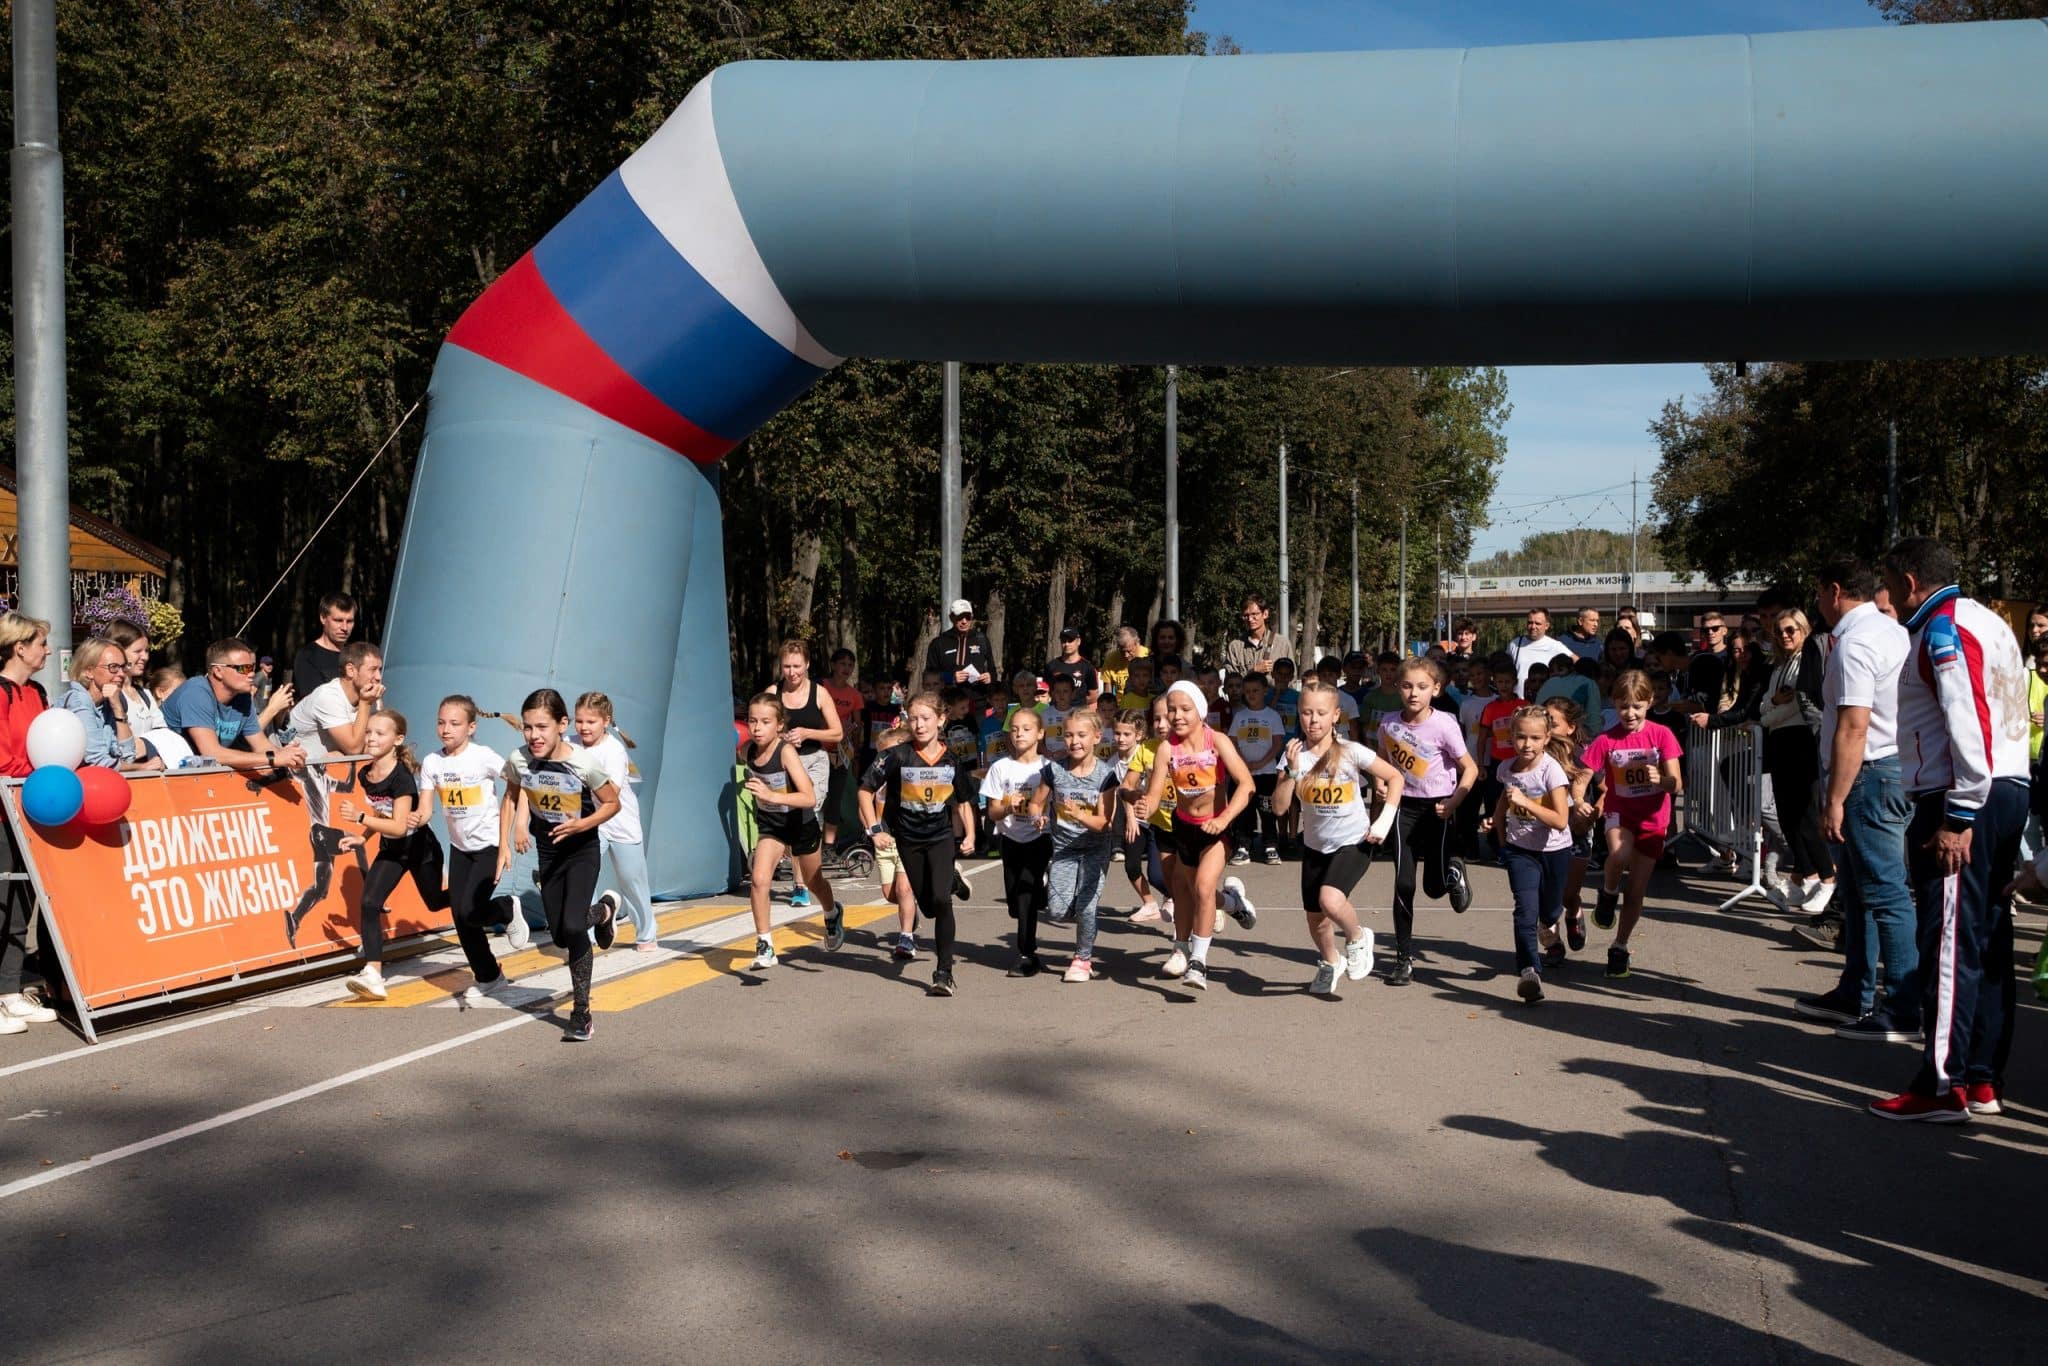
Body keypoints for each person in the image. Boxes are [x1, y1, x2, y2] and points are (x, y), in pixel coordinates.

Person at [1867, 538, 2028, 1123]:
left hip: (1964, 795)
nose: (1885, 596)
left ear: (1910, 580)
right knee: (1985, 939)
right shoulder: (1985, 620)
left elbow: (1969, 718)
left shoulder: (1943, 627)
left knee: (1951, 941)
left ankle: (1944, 1084)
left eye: (1887, 582)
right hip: (2002, 789)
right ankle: (1980, 1078)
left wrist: (1959, 814)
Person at [1792, 560, 1915, 1036]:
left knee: (1884, 892)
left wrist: (1835, 798)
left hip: (1869, 774)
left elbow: (1853, 724)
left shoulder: (1857, 642)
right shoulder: (1891, 633)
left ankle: (1903, 1006)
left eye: (1820, 594)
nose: (1818, 604)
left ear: (1836, 591)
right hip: (1884, 769)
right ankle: (1854, 991)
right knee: (1861, 891)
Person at [497, 688, 621, 1042]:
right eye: (527, 728)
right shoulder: (519, 759)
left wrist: (583, 824)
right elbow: (511, 794)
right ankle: (605, 911)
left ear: (561, 725)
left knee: (572, 926)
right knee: (559, 933)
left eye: (542, 727)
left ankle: (581, 1013)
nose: (534, 736)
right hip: (548, 852)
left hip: (582, 849)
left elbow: (612, 803)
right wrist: (507, 841)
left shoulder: (582, 763)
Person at [1695, 608, 1834, 914]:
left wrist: (1770, 711)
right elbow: (1765, 704)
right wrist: (1771, 706)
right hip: (1778, 740)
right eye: (1780, 631)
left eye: (1791, 630)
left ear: (1803, 630)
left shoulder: (1806, 662)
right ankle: (1807, 876)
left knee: (1805, 815)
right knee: (1787, 816)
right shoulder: (1779, 665)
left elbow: (1793, 703)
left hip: (1801, 741)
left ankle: (1827, 878)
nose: (1785, 636)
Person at [1272, 680, 1399, 996]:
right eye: (1306, 713)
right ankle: (1331, 962)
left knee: (1330, 900)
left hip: (1354, 841)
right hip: (1315, 846)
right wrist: (1290, 771)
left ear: (1336, 715)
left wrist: (1383, 821)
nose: (1312, 720)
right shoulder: (1294, 755)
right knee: (1316, 919)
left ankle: (1357, 937)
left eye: (1320, 713)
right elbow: (1279, 808)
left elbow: (1395, 778)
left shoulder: (1351, 752)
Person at [1132, 680, 1257, 991]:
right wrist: (1143, 806)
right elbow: (1155, 797)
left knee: (1202, 887)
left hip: (1218, 827)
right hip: (1184, 827)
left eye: (1185, 709)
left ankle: (1198, 963)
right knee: (1184, 890)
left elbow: (1247, 785)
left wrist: (1225, 817)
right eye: (1171, 709)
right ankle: (1231, 903)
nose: (1177, 715)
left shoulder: (1218, 741)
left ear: (1200, 711)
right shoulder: (1166, 749)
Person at [860, 692, 976, 995]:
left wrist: (971, 835)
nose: (919, 724)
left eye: (925, 718)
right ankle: (951, 880)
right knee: (927, 906)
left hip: (940, 838)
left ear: (941, 719)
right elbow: (864, 789)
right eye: (913, 718)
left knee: (941, 902)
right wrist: (875, 828)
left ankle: (943, 972)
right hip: (907, 839)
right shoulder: (897, 755)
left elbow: (963, 802)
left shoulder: (951, 759)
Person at [416, 695, 529, 1002]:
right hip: (460, 847)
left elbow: (519, 780)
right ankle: (489, 977)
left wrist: (517, 824)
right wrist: (414, 818)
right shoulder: (432, 762)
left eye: (455, 723)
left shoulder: (483, 757)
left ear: (471, 727)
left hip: (488, 844)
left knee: (470, 910)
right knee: (460, 916)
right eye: (441, 722)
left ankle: (506, 908)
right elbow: (426, 808)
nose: (446, 729)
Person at [332, 711, 451, 1001]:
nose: (371, 738)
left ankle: (501, 905)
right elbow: (380, 811)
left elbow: (398, 826)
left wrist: (360, 818)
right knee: (370, 902)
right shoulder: (366, 773)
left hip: (419, 850)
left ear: (397, 740)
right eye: (368, 732)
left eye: (379, 734)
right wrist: (364, 836)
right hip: (392, 850)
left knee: (435, 902)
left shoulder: (402, 779)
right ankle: (373, 974)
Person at [1576, 669, 1684, 979]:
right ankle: (1608, 893)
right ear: (1614, 704)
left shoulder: (1662, 735)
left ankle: (1620, 946)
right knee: (1619, 855)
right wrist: (1579, 799)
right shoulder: (1607, 740)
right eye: (1623, 706)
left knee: (1636, 890)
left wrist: (1660, 779)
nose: (1630, 713)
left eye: (1637, 706)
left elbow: (1676, 783)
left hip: (1654, 818)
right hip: (1619, 812)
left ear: (1649, 702)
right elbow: (1583, 775)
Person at [1377, 657, 1479, 984]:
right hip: (1401, 808)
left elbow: (1471, 769)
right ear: (1397, 687)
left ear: (1436, 689)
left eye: (1422, 687)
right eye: (1407, 686)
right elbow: (1382, 762)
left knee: (1433, 888)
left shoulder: (1445, 724)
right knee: (1403, 884)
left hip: (1438, 809)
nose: (1413, 693)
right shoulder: (1389, 724)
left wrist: (1453, 803)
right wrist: (1380, 783)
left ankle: (1453, 870)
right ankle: (1403, 959)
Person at [280, 640, 384, 947]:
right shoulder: (330, 696)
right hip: (291, 775)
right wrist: (365, 708)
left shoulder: (367, 697)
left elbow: (371, 745)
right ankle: (373, 895)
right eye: (373, 670)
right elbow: (355, 747)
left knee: (322, 889)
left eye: (380, 670)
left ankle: (294, 917)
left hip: (315, 807)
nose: (378, 677)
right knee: (358, 844)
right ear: (351, 670)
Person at [1488, 705, 1574, 1004]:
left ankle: (1553, 923)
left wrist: (1527, 802)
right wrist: (1497, 830)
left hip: (1554, 850)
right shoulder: (1506, 769)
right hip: (1519, 850)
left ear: (1547, 738)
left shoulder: (1552, 770)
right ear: (1511, 737)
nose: (1527, 744)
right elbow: (1503, 803)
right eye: (1521, 737)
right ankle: (1529, 972)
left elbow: (1561, 820)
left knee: (1549, 911)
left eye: (1535, 738)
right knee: (1525, 910)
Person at [1029, 709, 1122, 982]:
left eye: (1081, 735)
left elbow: (1105, 822)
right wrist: (1038, 816)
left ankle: (1082, 958)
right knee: (1057, 911)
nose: (1074, 741)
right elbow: (1036, 802)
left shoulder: (1106, 776)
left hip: (1095, 848)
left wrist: (1081, 814)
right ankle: (1086, 923)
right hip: (1064, 849)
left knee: (1087, 907)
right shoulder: (1054, 770)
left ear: (1096, 737)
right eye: (1068, 735)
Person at [740, 692, 828, 972]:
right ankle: (765, 945)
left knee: (814, 882)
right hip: (772, 825)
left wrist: (771, 795)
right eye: (752, 721)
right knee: (759, 880)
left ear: (779, 725)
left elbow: (809, 798)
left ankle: (832, 911)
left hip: (800, 823)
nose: (757, 728)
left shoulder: (786, 752)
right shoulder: (747, 751)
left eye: (765, 721)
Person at [0, 612, 58, 1035]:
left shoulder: (37, 692)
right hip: (4, 808)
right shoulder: (0, 692)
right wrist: (36, 775)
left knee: (22, 903)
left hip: (29, 807)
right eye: (41, 643)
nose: (48, 651)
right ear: (19, 647)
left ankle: (9, 990)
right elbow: (2, 757)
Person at [576, 693, 664, 955]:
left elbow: (610, 794)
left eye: (591, 721)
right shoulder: (569, 745)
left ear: (606, 721)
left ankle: (647, 933)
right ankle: (589, 932)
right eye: (579, 721)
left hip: (620, 822)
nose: (583, 727)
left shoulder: (613, 750)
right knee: (582, 877)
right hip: (592, 824)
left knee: (632, 881)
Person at [160, 638, 309, 775]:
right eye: (243, 669)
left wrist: (288, 754)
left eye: (252, 667)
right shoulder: (196, 692)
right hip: (161, 773)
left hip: (198, 775)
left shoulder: (243, 698)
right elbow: (212, 753)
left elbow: (262, 746)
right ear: (218, 671)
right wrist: (272, 757)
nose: (251, 674)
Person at [982, 706, 1053, 976]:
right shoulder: (1000, 768)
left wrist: (1047, 819)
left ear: (1040, 734)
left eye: (1026, 729)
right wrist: (1008, 807)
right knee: (1014, 901)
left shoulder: (1048, 768)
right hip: (1010, 838)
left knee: (1025, 894)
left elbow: (1057, 805)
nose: (1019, 733)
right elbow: (992, 812)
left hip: (1040, 838)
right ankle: (1039, 890)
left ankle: (1026, 953)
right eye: (1014, 729)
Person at [775, 639, 842, 911]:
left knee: (807, 815)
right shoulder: (773, 692)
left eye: (797, 666)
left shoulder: (820, 693)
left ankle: (803, 885)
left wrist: (806, 732)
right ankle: (800, 882)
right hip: (783, 762)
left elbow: (836, 732)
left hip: (814, 760)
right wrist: (779, 735)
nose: (792, 672)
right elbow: (762, 727)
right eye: (787, 666)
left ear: (808, 665)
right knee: (789, 821)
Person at [59, 637, 159, 771]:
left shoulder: (107, 704)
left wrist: (118, 708)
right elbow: (97, 761)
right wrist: (142, 767)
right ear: (89, 672)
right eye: (113, 667)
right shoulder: (77, 701)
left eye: (123, 667)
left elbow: (128, 756)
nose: (121, 674)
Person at [1227, 672, 1285, 864]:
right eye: (1248, 691)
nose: (1251, 695)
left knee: (1267, 810)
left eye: (1256, 691)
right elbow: (1233, 742)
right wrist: (1243, 762)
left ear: (1265, 691)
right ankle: (1243, 846)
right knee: (1244, 810)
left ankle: (1270, 845)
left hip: (1266, 772)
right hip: (1244, 774)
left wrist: (1261, 762)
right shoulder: (1240, 716)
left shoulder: (1272, 716)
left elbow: (1277, 744)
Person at [821, 649, 866, 850]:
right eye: (842, 664)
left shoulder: (854, 695)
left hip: (839, 753)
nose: (846, 668)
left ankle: (829, 846)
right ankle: (810, 845)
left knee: (835, 799)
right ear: (832, 665)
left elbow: (858, 723)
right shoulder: (820, 686)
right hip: (816, 750)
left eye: (850, 665)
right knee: (815, 798)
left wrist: (853, 730)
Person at [292, 592, 358, 696]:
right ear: (323, 618)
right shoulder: (308, 656)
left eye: (349, 621)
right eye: (338, 620)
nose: (345, 628)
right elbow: (316, 704)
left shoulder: (356, 656)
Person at [925, 600, 997, 693]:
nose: (964, 621)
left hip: (978, 701)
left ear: (972, 617)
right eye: (960, 617)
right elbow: (930, 676)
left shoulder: (981, 639)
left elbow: (993, 671)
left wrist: (990, 677)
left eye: (967, 617)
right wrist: (951, 678)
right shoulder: (939, 642)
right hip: (948, 701)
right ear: (951, 618)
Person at [1509, 609, 1577, 696]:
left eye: (1537, 623)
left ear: (1547, 626)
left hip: (1545, 702)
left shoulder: (1555, 645)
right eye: (1530, 622)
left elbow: (1577, 662)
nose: (1533, 626)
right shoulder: (1514, 644)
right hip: (1520, 703)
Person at [1221, 594, 1282, 680]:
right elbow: (1231, 682)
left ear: (1265, 614)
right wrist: (1254, 671)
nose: (1250, 619)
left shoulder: (1282, 643)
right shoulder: (1235, 647)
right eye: (1246, 615)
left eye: (1254, 614)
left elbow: (1291, 681)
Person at [1042, 626, 1099, 702]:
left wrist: (1076, 703)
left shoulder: (1088, 667)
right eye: (1064, 641)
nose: (1067, 644)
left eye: (1070, 640)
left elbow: (1093, 696)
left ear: (1078, 641)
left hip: (1078, 712)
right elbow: (1045, 693)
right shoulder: (1051, 666)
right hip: (1056, 711)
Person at [1101, 625, 1147, 698]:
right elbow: (1107, 692)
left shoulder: (1149, 656)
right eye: (1122, 651)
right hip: (1121, 706)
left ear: (1137, 643)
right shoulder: (1111, 659)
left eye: (1129, 651)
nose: (1126, 655)